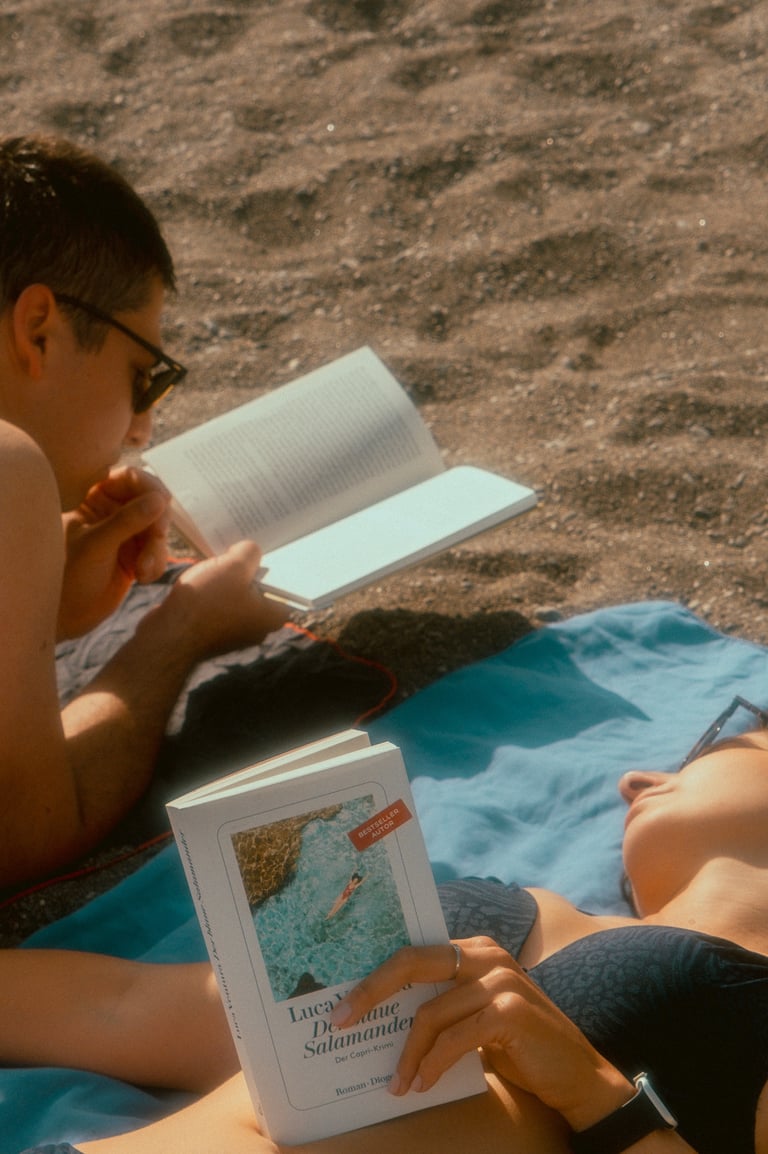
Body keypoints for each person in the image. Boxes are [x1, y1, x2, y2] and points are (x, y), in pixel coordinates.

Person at [9, 718, 768, 1153]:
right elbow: (121, 1007)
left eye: (721, 743)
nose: (635, 778)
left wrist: (595, 1092)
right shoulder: (510, 912)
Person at [0, 134, 288, 890]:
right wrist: (180, 629)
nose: (141, 426)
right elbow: (27, 832)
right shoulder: (7, 464)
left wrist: (47, 608)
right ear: (39, 330)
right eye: (144, 376)